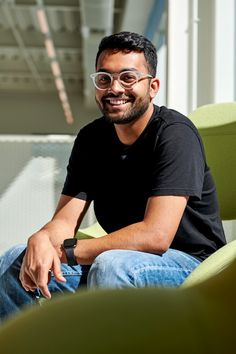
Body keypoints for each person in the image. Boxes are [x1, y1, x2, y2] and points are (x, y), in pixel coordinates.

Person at [0, 31, 226, 322]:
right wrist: (41, 239)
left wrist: (65, 250)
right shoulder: (91, 139)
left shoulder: (175, 134)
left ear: (153, 86)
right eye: (104, 79)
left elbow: (156, 236)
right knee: (15, 262)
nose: (115, 88)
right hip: (122, 261)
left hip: (193, 266)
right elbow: (65, 222)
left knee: (112, 266)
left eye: (128, 77)